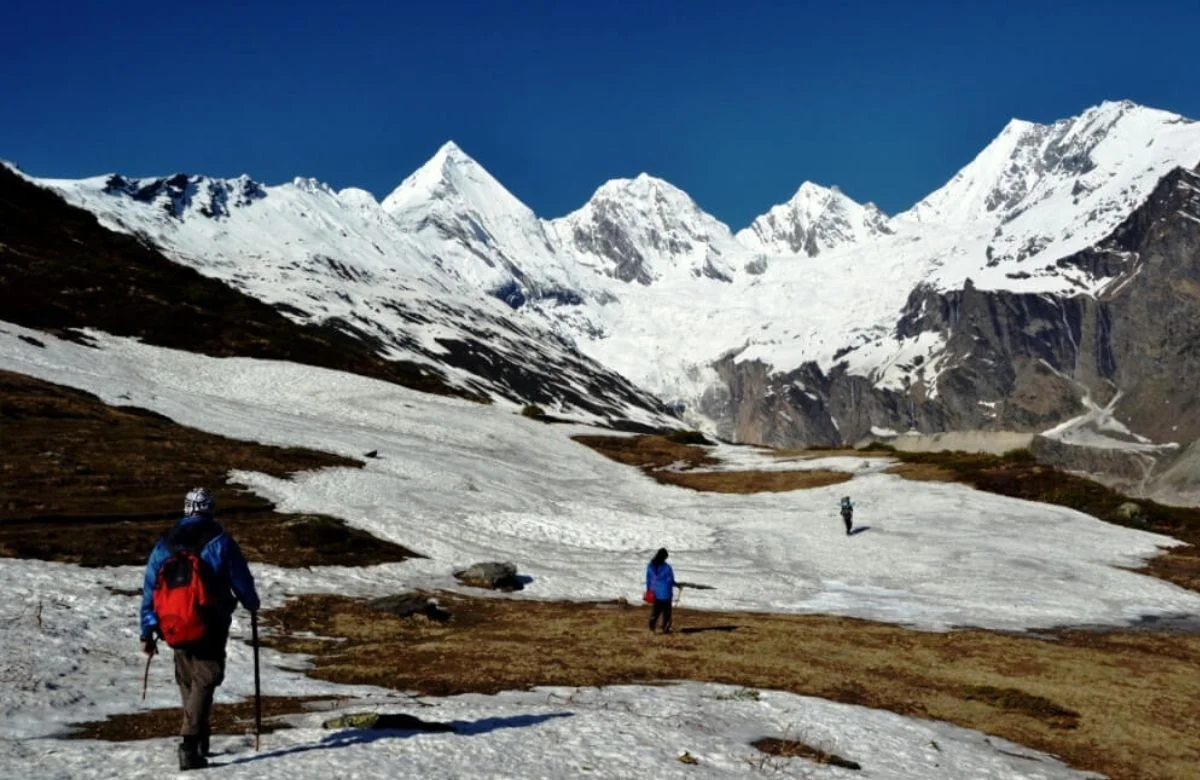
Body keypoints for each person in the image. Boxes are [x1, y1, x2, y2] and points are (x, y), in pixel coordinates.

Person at [140, 488, 260, 770]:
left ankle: (199, 737)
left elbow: (149, 590)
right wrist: (251, 603)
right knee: (207, 678)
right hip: (210, 623)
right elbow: (240, 580)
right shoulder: (220, 542)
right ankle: (190, 743)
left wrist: (147, 630)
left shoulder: (165, 543)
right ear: (210, 510)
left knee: (188, 680)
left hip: (173, 625)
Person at [646, 547, 681, 633]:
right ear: (665, 557)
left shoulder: (650, 566)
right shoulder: (667, 567)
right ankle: (665, 628)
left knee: (656, 611)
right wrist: (676, 584)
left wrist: (649, 589)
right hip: (666, 593)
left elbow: (648, 579)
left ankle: (652, 626)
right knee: (666, 612)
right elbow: (670, 580)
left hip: (655, 592)